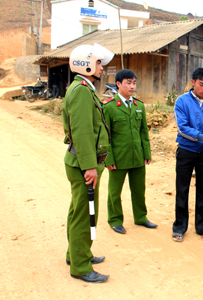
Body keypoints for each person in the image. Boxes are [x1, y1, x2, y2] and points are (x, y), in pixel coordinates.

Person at [63, 43, 114, 283]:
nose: (102, 67)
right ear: (86, 63)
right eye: (98, 63)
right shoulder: (82, 89)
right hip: (84, 163)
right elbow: (82, 132)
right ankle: (81, 267)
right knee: (84, 214)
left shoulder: (84, 87)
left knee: (78, 211)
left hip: (82, 161)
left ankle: (76, 253)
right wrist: (90, 166)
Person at [103, 69, 157, 234]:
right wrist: (108, 158)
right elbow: (106, 136)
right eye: (128, 82)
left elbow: (143, 134)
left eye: (134, 83)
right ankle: (115, 219)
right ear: (118, 84)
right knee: (114, 191)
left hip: (137, 156)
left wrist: (146, 154)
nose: (132, 86)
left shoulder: (139, 106)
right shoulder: (110, 107)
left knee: (139, 189)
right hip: (118, 158)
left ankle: (141, 217)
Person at [172, 67, 203, 242]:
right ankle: (179, 226)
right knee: (182, 189)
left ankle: (202, 226)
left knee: (202, 191)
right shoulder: (182, 101)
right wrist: (202, 137)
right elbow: (182, 128)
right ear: (193, 82)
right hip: (186, 151)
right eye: (201, 84)